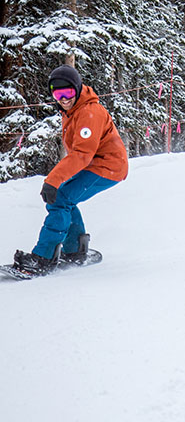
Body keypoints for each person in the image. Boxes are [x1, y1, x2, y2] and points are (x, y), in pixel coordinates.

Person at [12, 65, 129, 276]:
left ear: (77, 89)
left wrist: (53, 180)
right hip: (97, 163)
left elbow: (82, 153)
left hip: (108, 166)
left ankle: (43, 257)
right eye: (57, 94)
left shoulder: (88, 112)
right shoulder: (73, 109)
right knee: (64, 197)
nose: (63, 98)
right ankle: (75, 249)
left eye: (68, 93)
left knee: (60, 198)